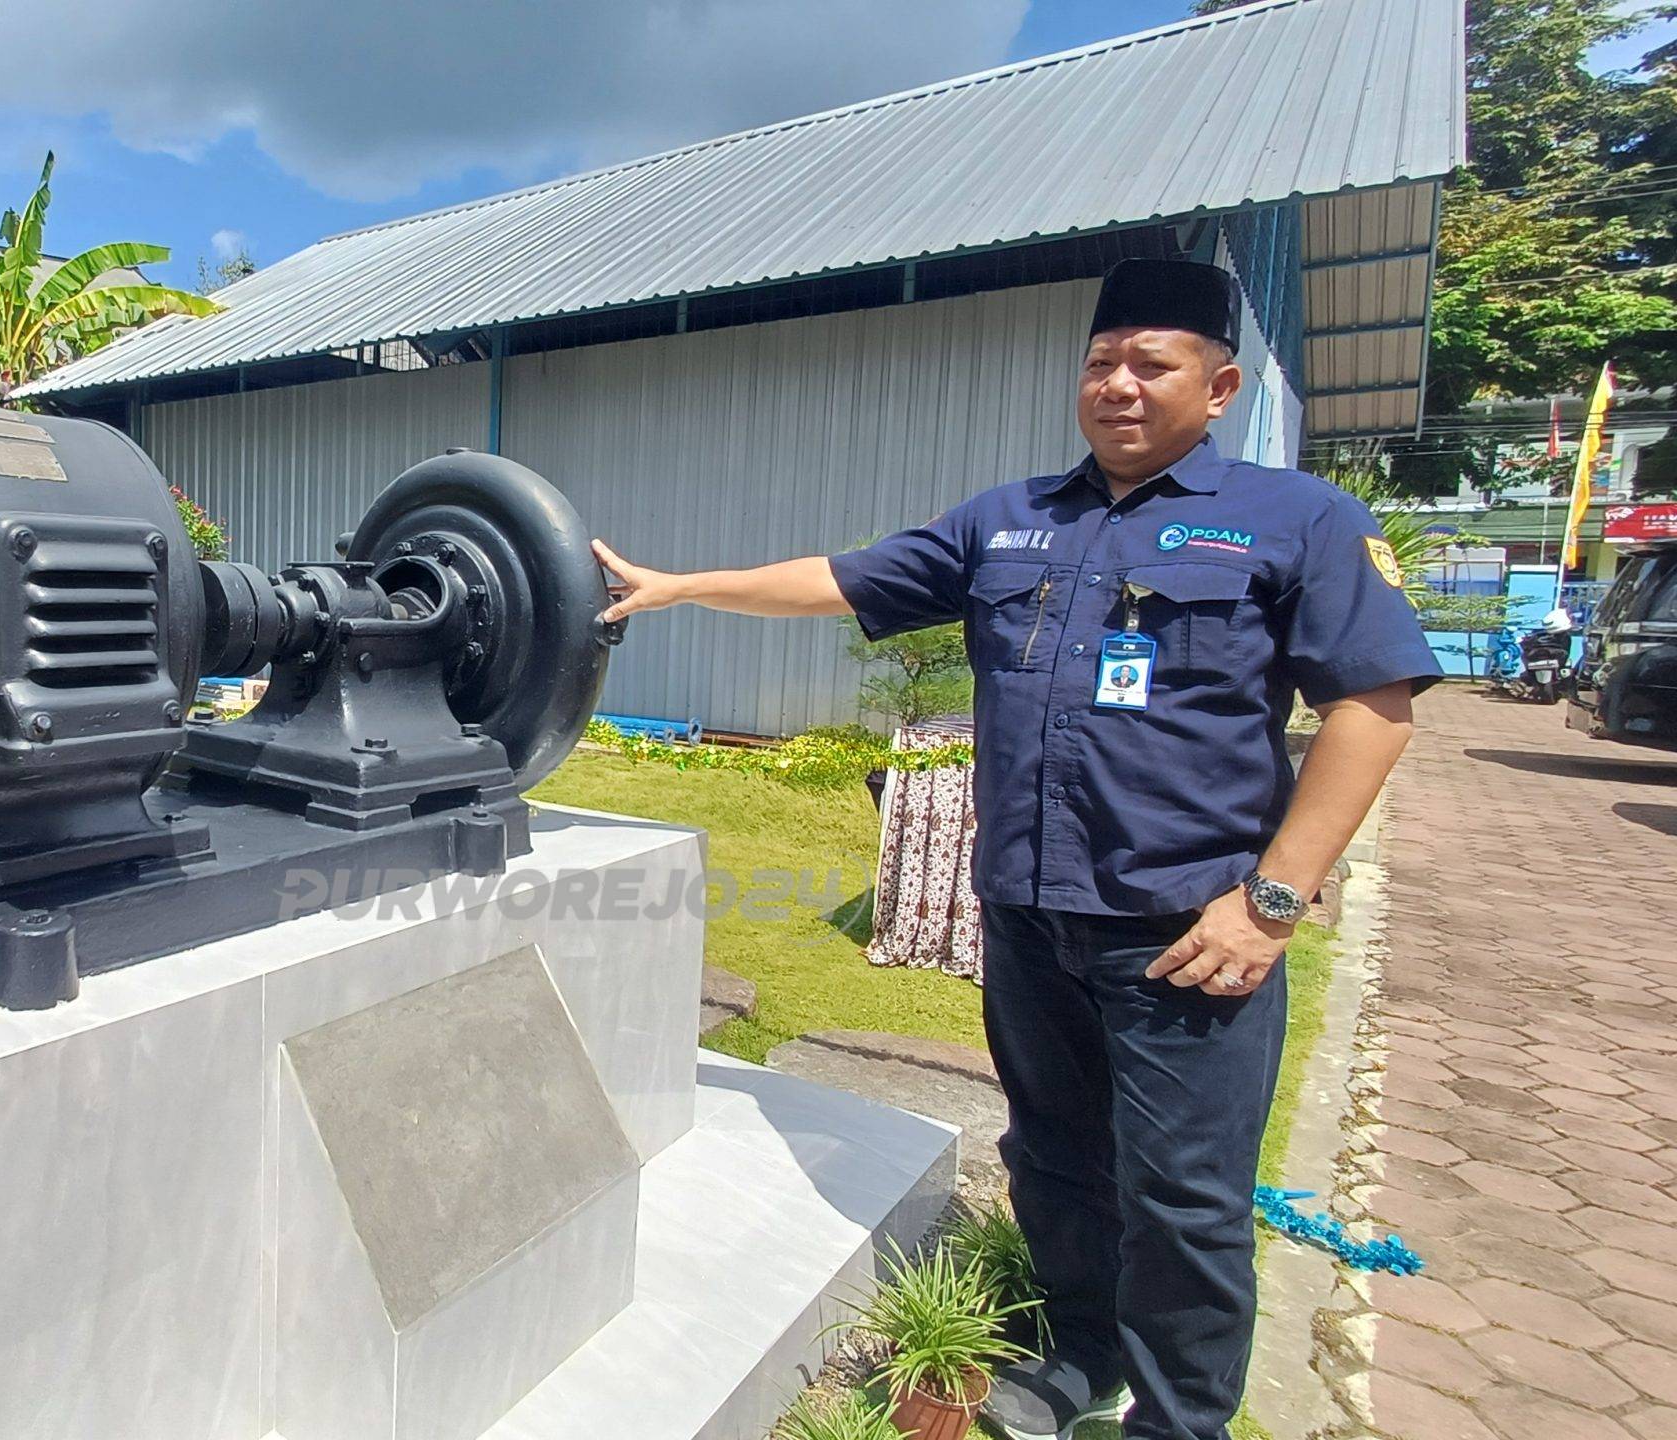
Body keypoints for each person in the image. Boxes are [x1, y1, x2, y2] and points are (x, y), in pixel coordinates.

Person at [593, 257, 1437, 1440]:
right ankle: (1079, 1355)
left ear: (1220, 384)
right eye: (1100, 363)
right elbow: (843, 579)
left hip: (1187, 931)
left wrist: (1271, 901)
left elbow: (1372, 707)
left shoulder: (1294, 519)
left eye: (1152, 364)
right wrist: (685, 586)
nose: (1119, 386)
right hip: (1031, 919)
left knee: (1185, 1202)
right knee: (1052, 1161)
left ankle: (1179, 1422)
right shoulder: (1010, 520)